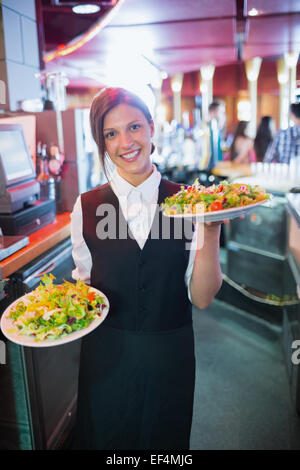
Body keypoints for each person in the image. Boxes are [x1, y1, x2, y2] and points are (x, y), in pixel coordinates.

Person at [70, 87, 223, 450]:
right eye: (111, 133)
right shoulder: (86, 206)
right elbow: (84, 290)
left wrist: (211, 226)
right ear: (103, 142)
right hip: (106, 357)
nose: (126, 141)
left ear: (151, 128)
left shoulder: (189, 202)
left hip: (168, 356)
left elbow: (202, 298)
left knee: (164, 447)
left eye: (134, 126)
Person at [207, 100, 226, 169]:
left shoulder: (218, 131)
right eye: (221, 113)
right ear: (212, 113)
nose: (224, 116)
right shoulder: (207, 131)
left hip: (218, 168)